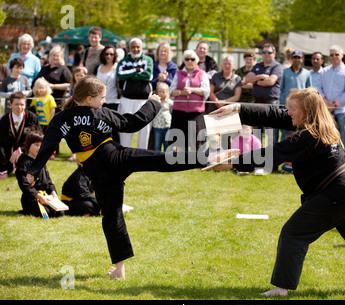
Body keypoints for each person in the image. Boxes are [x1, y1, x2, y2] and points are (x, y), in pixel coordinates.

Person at [210, 87, 345, 298]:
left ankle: (281, 289)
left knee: (293, 233)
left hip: (339, 195)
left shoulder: (310, 136)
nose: (288, 112)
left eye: (292, 109)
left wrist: (233, 163)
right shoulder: (322, 124)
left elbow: (274, 153)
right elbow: (275, 114)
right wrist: (239, 108)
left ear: (307, 112)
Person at [25, 75, 236, 279]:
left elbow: (48, 145)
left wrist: (34, 171)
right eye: (102, 98)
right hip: (116, 158)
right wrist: (153, 102)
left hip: (98, 172)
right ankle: (210, 157)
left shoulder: (61, 118)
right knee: (161, 159)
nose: (105, 101)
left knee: (112, 216)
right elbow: (133, 123)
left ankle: (119, 269)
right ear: (89, 99)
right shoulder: (100, 113)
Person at [15, 130, 64, 218]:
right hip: (32, 198)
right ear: (28, 145)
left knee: (60, 213)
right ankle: (27, 210)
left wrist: (53, 192)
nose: (39, 148)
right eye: (36, 145)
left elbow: (48, 180)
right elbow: (24, 185)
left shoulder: (41, 161)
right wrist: (39, 197)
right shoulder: (24, 163)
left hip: (45, 196)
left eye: (41, 145)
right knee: (47, 212)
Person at [317, 45, 345, 152]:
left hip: (341, 111)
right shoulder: (324, 71)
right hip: (325, 110)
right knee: (324, 136)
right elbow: (318, 88)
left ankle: (343, 164)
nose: (334, 57)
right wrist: (325, 101)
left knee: (342, 137)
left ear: (342, 55)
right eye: (331, 55)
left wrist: (334, 104)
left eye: (337, 54)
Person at [116, 38, 154, 149]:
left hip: (144, 100)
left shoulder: (148, 60)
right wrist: (137, 69)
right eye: (133, 46)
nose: (135, 49)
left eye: (138, 47)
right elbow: (120, 75)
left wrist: (130, 74)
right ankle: (124, 155)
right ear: (129, 48)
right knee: (125, 129)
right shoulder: (124, 61)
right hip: (127, 99)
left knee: (144, 131)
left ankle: (142, 158)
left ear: (142, 48)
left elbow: (148, 75)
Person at [169, 49, 210, 151]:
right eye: (187, 59)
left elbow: (206, 92)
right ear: (184, 61)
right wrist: (181, 92)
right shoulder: (178, 73)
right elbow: (171, 92)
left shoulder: (202, 73)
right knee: (179, 140)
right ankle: (180, 162)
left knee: (197, 141)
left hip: (196, 113)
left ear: (196, 61)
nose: (190, 61)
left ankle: (197, 162)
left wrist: (193, 90)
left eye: (192, 59)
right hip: (179, 112)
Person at [245, 43, 283, 145]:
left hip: (271, 102)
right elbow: (247, 79)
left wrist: (255, 81)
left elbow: (270, 82)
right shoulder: (257, 66)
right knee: (257, 130)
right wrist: (261, 76)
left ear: (274, 53)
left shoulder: (277, 66)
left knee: (271, 131)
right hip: (257, 101)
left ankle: (271, 157)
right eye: (264, 52)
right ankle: (258, 156)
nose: (266, 54)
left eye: (269, 52)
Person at [0, 92, 40, 179]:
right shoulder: (4, 120)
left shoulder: (32, 118)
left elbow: (38, 138)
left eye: (22, 104)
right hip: (8, 153)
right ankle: (5, 169)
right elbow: (2, 143)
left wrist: (20, 150)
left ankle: (31, 167)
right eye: (16, 104)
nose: (19, 107)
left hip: (25, 150)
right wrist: (3, 169)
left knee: (36, 145)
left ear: (25, 105)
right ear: (10, 105)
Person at [279, 50, 311, 141]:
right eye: (294, 57)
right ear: (291, 59)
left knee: (301, 132)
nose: (297, 59)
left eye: (299, 57)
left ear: (302, 59)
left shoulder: (307, 73)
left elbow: (309, 91)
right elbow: (280, 89)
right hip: (287, 107)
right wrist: (284, 102)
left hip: (302, 108)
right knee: (285, 132)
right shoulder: (284, 72)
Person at [96, 45, 120, 113]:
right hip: (99, 102)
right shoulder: (98, 67)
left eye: (111, 54)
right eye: (106, 54)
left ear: (114, 55)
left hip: (114, 102)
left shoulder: (118, 67)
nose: (109, 56)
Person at [152, 82, 173, 151]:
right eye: (159, 91)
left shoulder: (169, 102)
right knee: (157, 144)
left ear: (167, 92)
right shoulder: (155, 101)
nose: (161, 93)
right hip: (157, 126)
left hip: (167, 125)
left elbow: (171, 111)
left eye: (163, 92)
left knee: (167, 143)